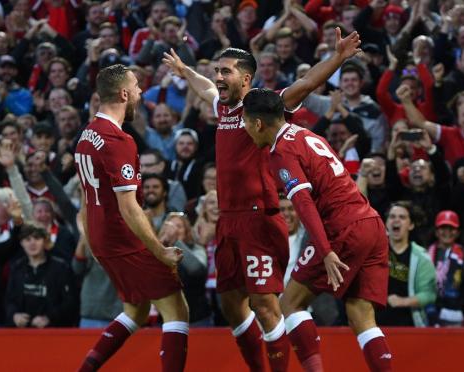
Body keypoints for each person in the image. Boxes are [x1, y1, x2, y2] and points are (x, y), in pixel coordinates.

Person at [163, 26, 361, 372]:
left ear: (247, 78)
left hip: (259, 219)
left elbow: (306, 85)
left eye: (226, 71)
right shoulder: (223, 108)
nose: (219, 77)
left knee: (265, 305)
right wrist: (185, 72)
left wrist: (338, 58)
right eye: (218, 70)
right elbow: (204, 87)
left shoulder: (264, 108)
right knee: (230, 303)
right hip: (227, 219)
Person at [242, 88, 391, 372]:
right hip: (371, 223)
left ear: (258, 123)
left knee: (290, 303)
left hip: (341, 227)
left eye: (247, 124)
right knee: (361, 314)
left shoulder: (280, 151)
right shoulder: (308, 135)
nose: (247, 131)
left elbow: (302, 201)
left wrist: (325, 250)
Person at [75, 64, 189, 372]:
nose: (140, 92)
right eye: (137, 87)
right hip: (123, 237)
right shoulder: (117, 140)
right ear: (124, 93)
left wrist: (94, 243)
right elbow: (128, 207)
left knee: (136, 311)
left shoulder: (86, 136)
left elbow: (86, 200)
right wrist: (159, 250)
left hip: (102, 238)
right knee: (176, 310)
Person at [5, 223, 78, 328]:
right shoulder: (16, 268)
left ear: (45, 241)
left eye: (37, 238)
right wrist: (14, 316)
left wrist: (49, 318)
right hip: (21, 332)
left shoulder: (61, 268)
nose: (32, 243)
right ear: (21, 243)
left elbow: (70, 302)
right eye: (27, 239)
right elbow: (9, 300)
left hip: (53, 332)